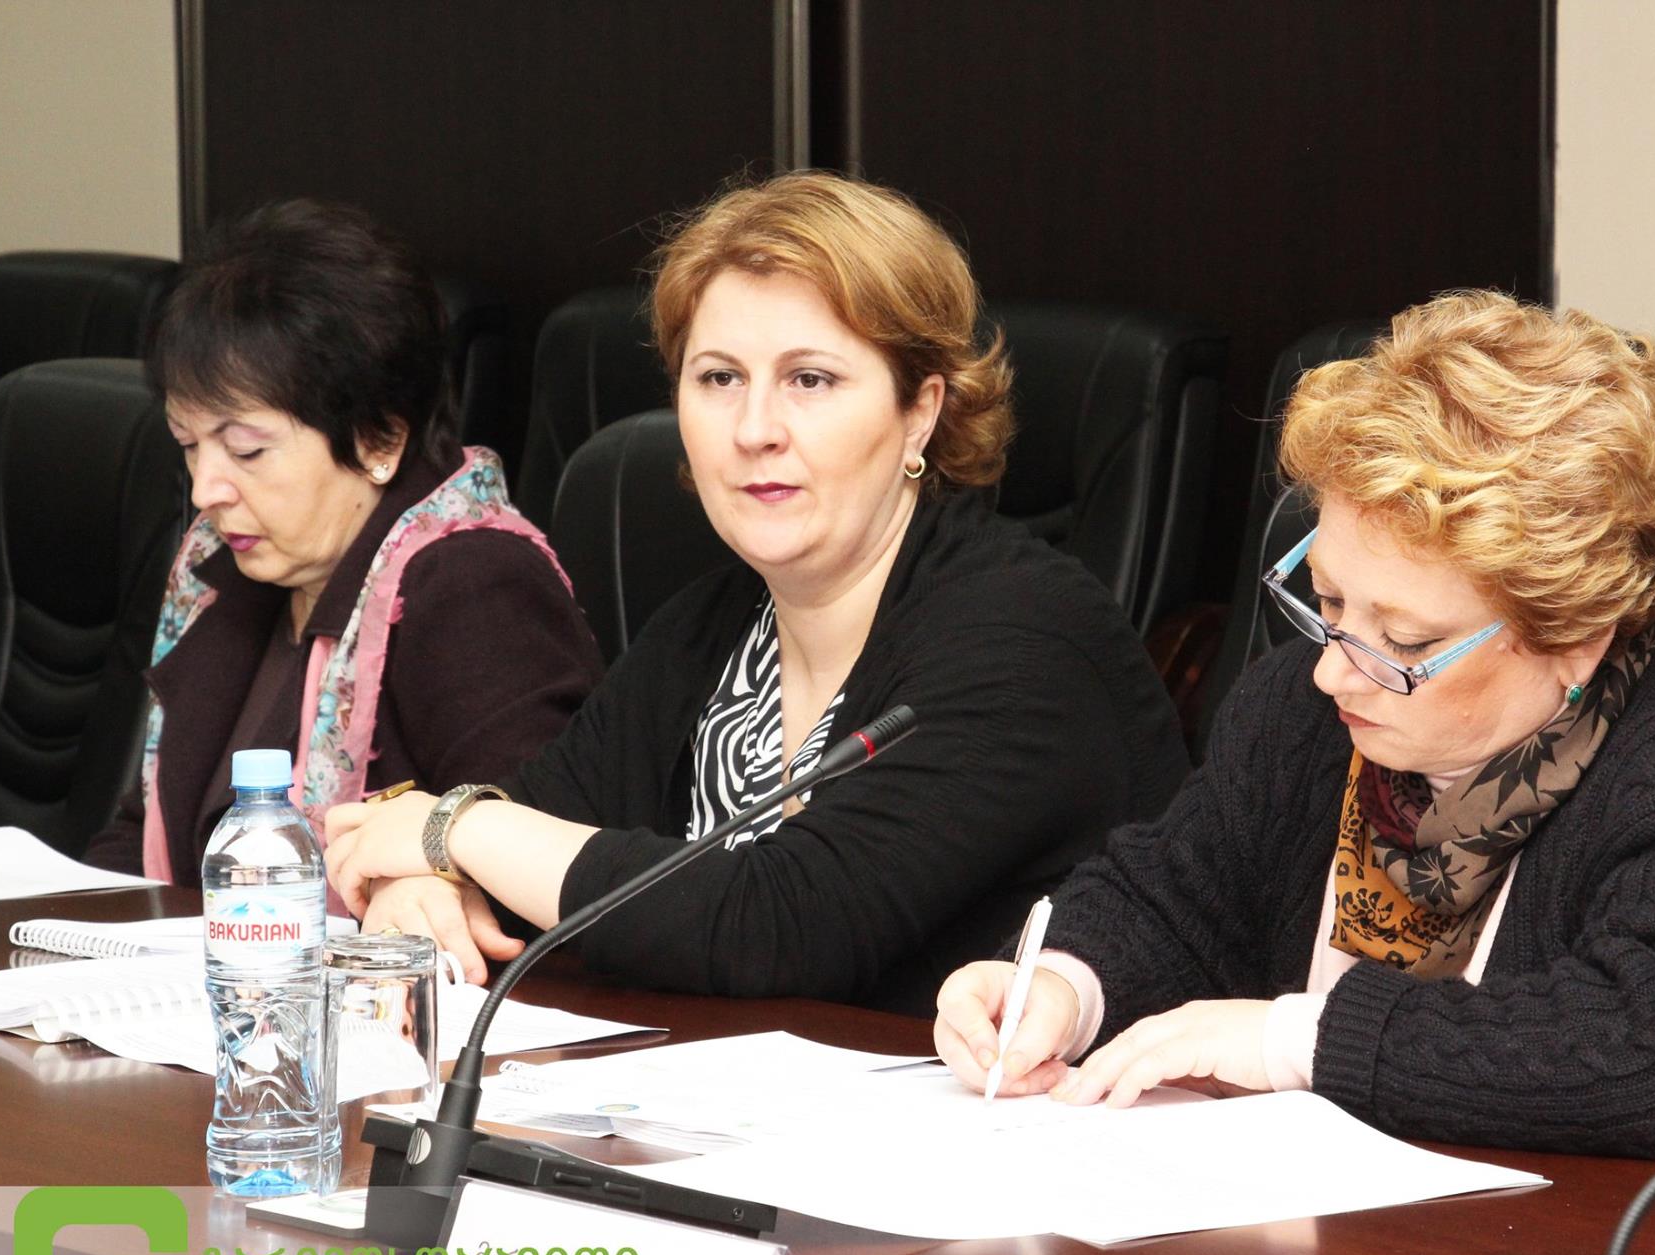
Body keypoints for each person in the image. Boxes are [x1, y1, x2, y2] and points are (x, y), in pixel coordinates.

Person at [933, 290, 1655, 1208]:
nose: (1334, 670)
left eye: (1403, 641)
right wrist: (1062, 986)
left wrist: (1289, 1040)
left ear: (1572, 636)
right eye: (1327, 601)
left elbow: (1643, 1060)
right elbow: (1173, 894)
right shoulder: (1305, 715)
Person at [322, 172, 1191, 1014]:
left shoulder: (1027, 639)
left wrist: (452, 828)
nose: (754, 429)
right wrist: (424, 886)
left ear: (920, 412)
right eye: (719, 378)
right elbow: (539, 828)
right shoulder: (713, 626)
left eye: (810, 379)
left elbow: (780, 924)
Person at [85, 199, 603, 886]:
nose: (206, 488)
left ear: (378, 438)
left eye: (246, 450)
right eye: (188, 444)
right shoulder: (225, 577)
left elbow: (524, 867)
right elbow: (147, 825)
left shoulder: (475, 586)